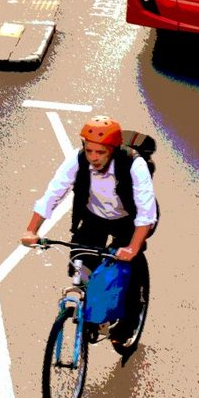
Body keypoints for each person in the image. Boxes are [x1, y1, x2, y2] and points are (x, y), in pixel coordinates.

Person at [21, 115, 157, 342]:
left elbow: (146, 213)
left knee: (125, 268)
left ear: (112, 149)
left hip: (129, 220)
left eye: (100, 152)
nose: (93, 157)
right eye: (89, 151)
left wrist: (132, 248)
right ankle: (94, 312)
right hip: (95, 216)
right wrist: (31, 230)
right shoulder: (77, 159)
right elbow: (53, 194)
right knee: (80, 263)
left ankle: (129, 322)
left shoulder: (134, 164)